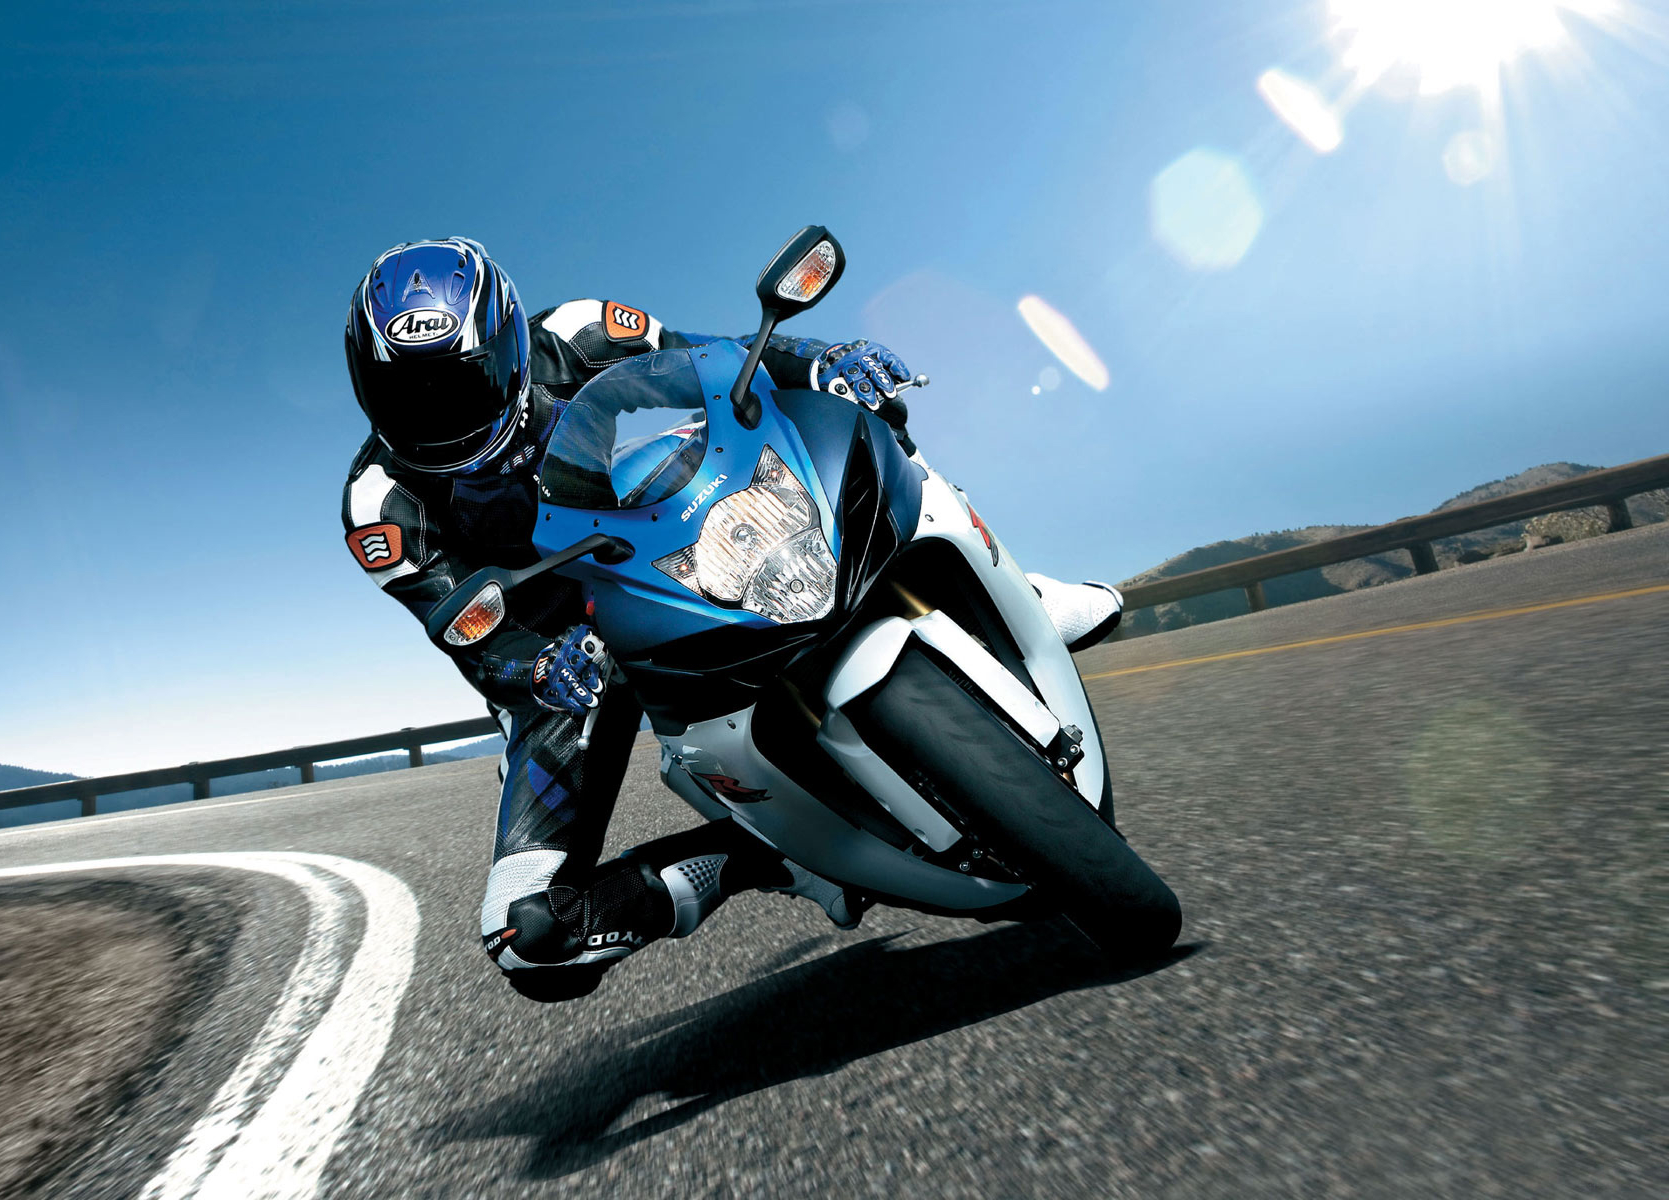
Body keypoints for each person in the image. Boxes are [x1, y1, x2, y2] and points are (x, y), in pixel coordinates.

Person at [340, 237, 1123, 1001]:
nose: (438, 414)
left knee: (854, 413)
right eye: (408, 395)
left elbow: (712, 361)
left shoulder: (576, 332)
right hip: (561, 661)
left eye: (464, 383)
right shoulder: (378, 504)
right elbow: (466, 633)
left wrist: (819, 359)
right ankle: (766, 858)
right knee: (528, 937)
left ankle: (1010, 591)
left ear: (509, 349)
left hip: (644, 546)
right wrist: (536, 666)